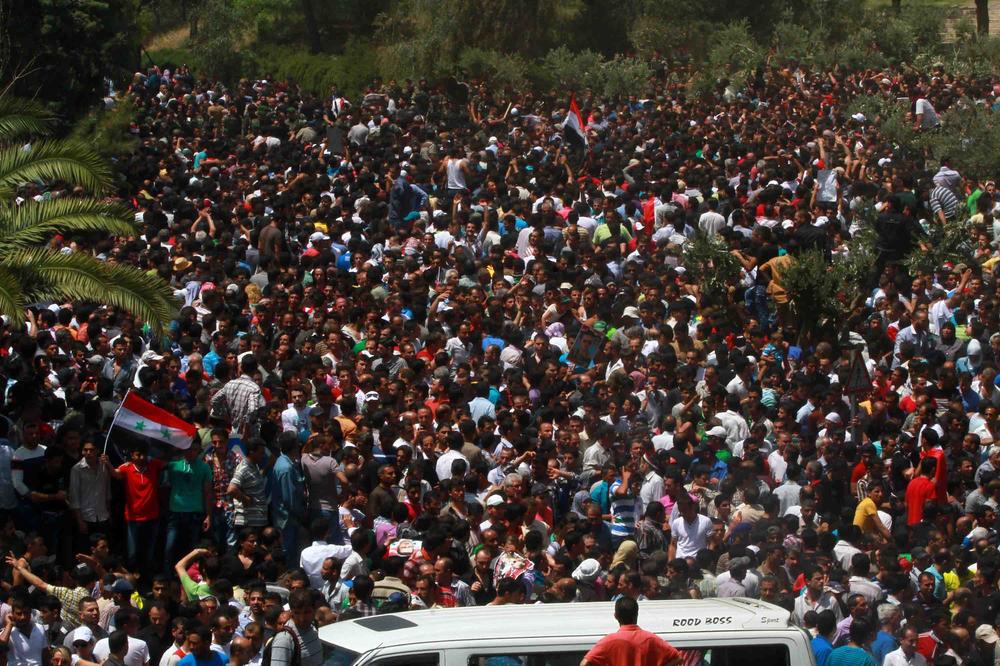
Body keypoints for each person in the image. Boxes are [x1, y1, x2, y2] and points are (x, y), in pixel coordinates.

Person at [579, 597, 681, 666]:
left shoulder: (608, 641)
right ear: (637, 614)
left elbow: (584, 664)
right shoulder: (651, 639)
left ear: (616, 616)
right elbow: (678, 658)